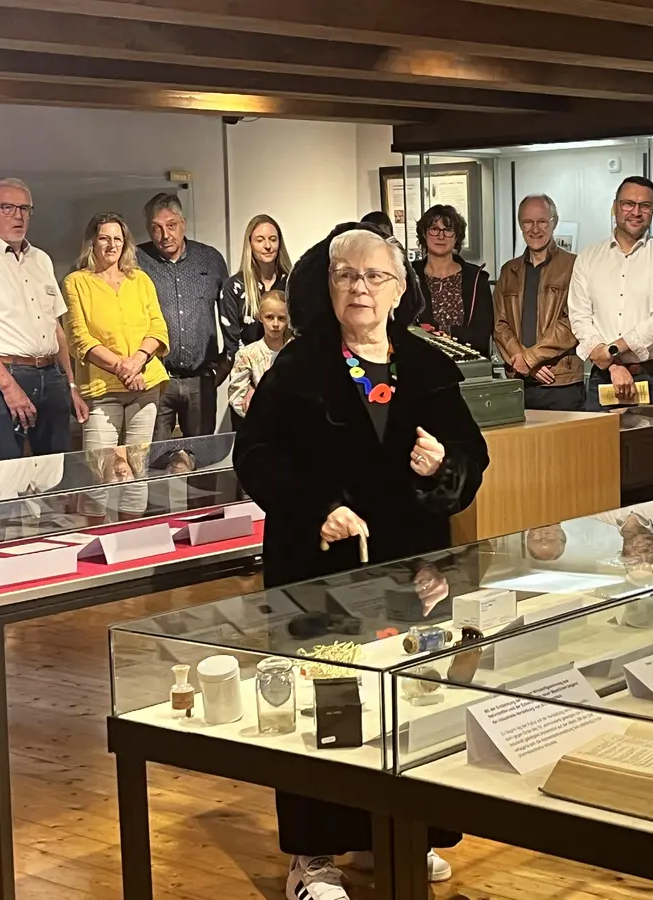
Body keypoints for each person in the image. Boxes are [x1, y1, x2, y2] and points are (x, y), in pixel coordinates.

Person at [234, 222, 489, 900]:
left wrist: (446, 467)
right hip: (318, 565)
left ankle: (398, 835)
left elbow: (472, 458)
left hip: (414, 569)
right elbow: (255, 456)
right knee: (331, 701)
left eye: (375, 276)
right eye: (346, 275)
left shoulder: (427, 364)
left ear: (400, 288)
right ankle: (313, 855)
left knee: (412, 694)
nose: (360, 288)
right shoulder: (300, 366)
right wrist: (316, 505)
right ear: (328, 286)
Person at [0, 177, 88, 461]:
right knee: (6, 474)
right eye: (8, 208)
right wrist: (9, 388)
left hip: (51, 377)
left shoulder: (41, 259)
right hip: (5, 376)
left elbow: (56, 329)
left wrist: (70, 385)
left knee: (56, 473)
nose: (18, 215)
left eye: (25, 209)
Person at [64, 213, 169, 518]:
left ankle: (131, 545)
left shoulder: (141, 280)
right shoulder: (76, 282)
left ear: (126, 245)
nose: (111, 245)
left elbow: (158, 328)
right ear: (92, 242)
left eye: (117, 239)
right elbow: (79, 338)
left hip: (145, 384)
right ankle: (101, 550)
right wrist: (122, 368)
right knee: (100, 474)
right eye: (104, 238)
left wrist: (137, 362)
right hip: (101, 388)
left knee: (137, 471)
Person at [568, 176, 653, 409]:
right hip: (603, 376)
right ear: (615, 206)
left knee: (652, 445)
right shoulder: (588, 257)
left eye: (645, 206)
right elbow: (579, 317)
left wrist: (611, 350)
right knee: (599, 446)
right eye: (628, 204)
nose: (636, 212)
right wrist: (612, 365)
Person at [137, 192, 230, 441]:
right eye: (156, 228)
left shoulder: (210, 259)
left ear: (183, 223)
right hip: (155, 380)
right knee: (152, 457)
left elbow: (230, 314)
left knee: (201, 457)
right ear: (148, 228)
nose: (165, 235)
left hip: (200, 379)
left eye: (171, 225)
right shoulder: (136, 261)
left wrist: (224, 364)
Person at [494, 194, 583, 409]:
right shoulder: (509, 271)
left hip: (561, 382)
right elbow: (499, 324)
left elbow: (572, 322)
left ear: (554, 222)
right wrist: (521, 360)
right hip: (518, 383)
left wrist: (530, 359)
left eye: (542, 221)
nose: (535, 229)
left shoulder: (575, 266)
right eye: (528, 222)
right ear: (520, 225)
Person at [408, 204, 495, 356]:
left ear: (456, 237)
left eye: (448, 230)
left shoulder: (476, 279)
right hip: (421, 364)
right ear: (424, 233)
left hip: (469, 365)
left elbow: (483, 329)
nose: (441, 236)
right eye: (434, 229)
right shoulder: (408, 276)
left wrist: (453, 347)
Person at [226, 214, 293, 354]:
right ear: (250, 244)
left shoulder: (293, 284)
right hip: (248, 367)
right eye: (260, 240)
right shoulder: (234, 287)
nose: (267, 246)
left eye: (273, 239)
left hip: (289, 366)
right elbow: (232, 346)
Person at [228, 291, 291, 418]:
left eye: (281, 318)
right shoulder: (247, 354)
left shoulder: (297, 350)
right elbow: (237, 394)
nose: (275, 324)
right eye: (269, 317)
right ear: (260, 317)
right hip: (261, 422)